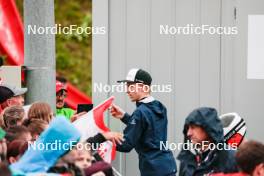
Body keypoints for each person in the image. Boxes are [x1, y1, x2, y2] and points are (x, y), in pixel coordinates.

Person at [110, 68, 177, 176]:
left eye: (131, 86)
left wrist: (102, 139)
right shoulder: (160, 106)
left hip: (153, 171)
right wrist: (124, 116)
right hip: (168, 166)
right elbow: (147, 128)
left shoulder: (140, 113)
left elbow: (125, 145)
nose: (127, 90)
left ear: (143, 87)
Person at [177, 107, 238, 176]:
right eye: (187, 128)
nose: (188, 133)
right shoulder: (187, 159)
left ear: (208, 128)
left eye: (193, 127)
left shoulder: (230, 157)